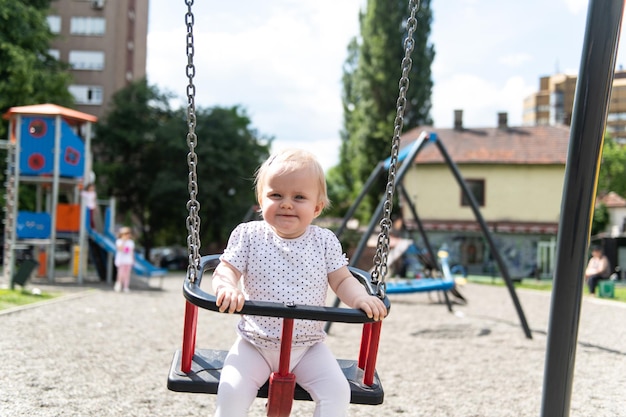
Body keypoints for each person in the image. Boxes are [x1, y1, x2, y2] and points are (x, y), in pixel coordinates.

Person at [211, 149, 388, 417]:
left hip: (307, 347)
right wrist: (227, 287)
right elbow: (226, 270)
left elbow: (342, 280)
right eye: (276, 195)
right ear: (261, 200)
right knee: (230, 392)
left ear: (317, 208)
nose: (286, 203)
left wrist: (360, 298)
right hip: (254, 343)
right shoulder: (248, 235)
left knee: (338, 391)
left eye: (299, 197)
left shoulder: (325, 241)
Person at [114, 227, 135, 293]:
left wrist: (132, 260)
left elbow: (131, 252)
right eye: (125, 234)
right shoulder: (119, 241)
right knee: (120, 274)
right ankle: (118, 284)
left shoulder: (131, 242)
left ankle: (126, 287)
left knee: (127, 274)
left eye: (128, 233)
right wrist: (123, 241)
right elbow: (120, 249)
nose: (127, 235)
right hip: (121, 261)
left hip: (128, 261)